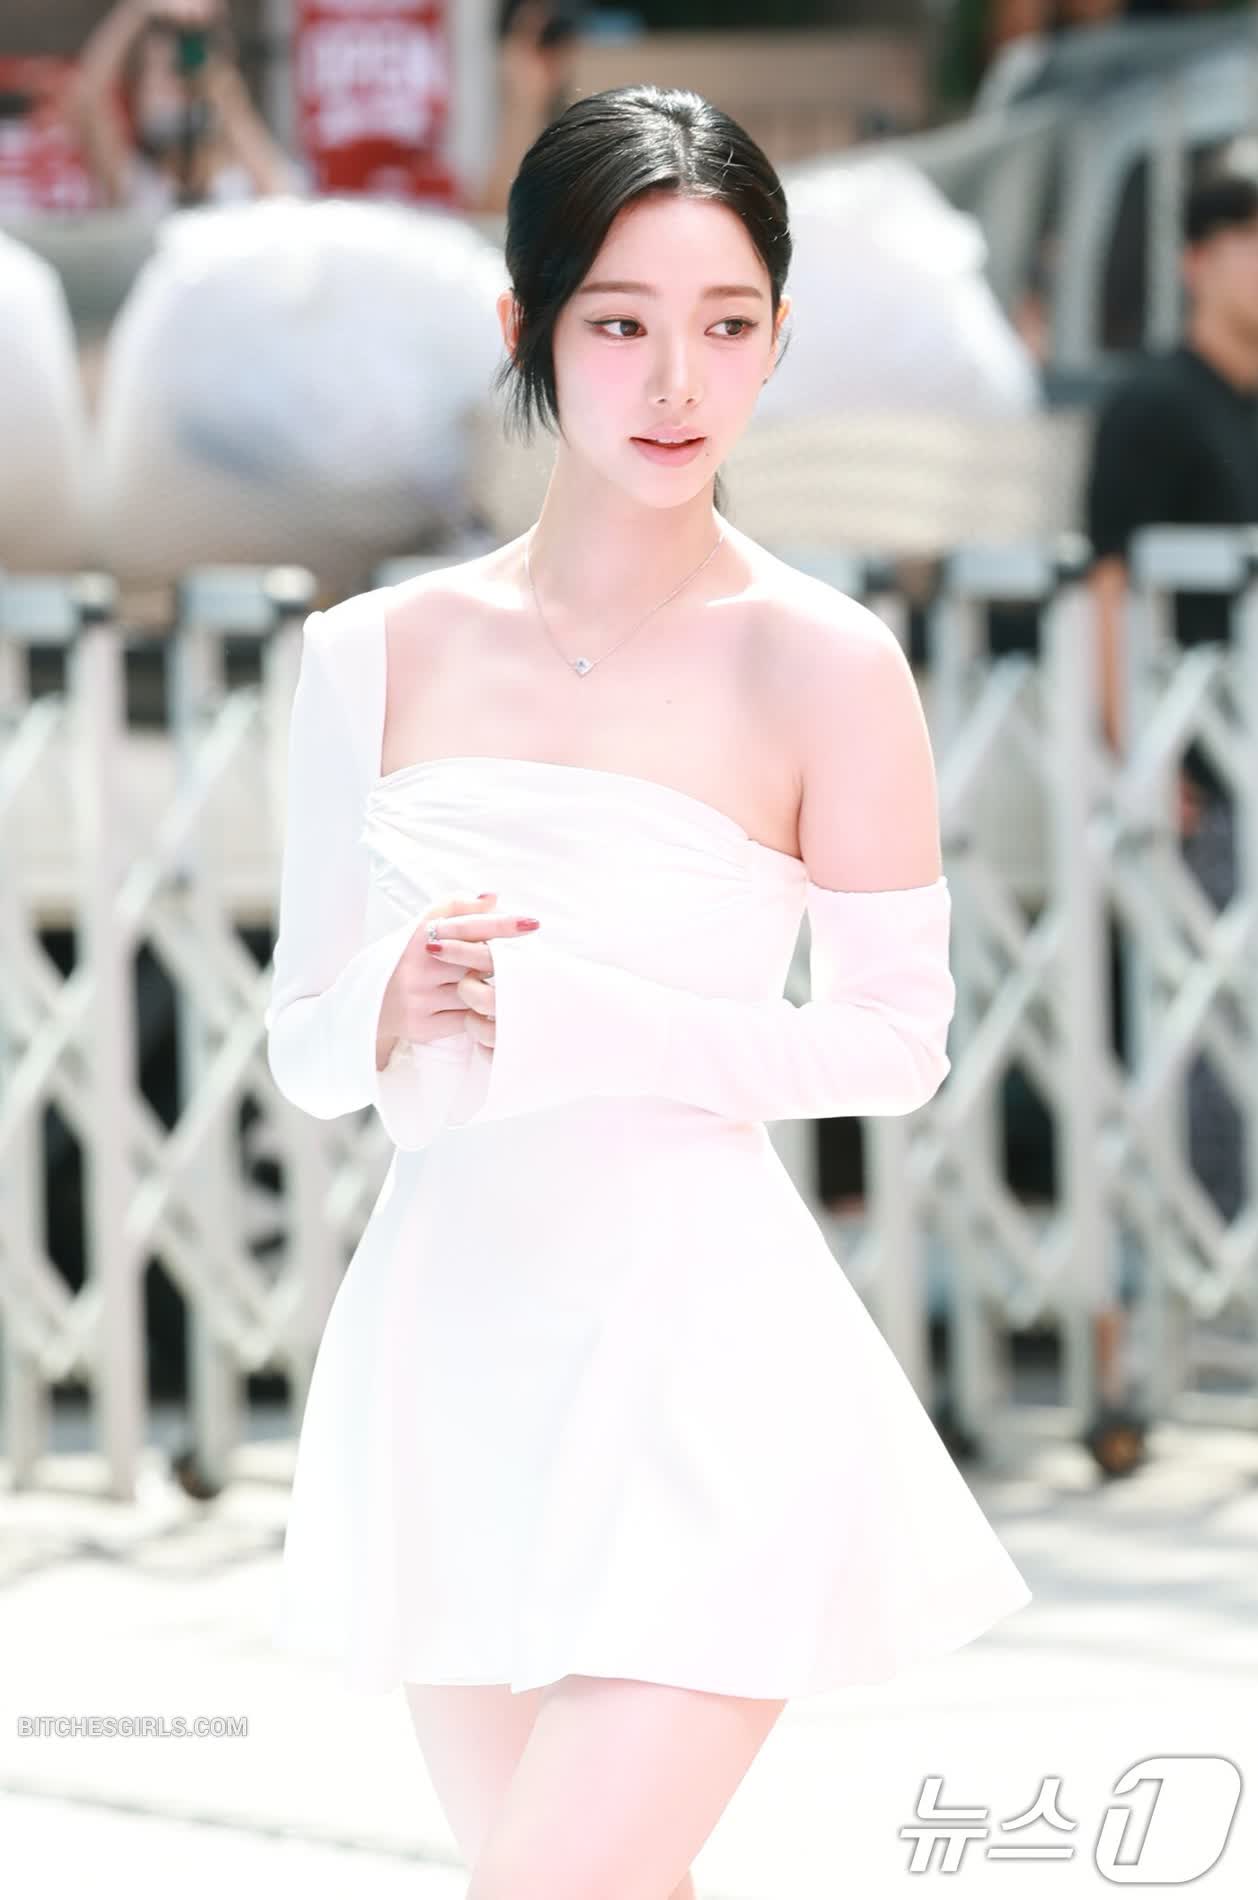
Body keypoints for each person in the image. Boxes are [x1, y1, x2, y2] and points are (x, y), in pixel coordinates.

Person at [264, 85, 1032, 1895]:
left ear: (776, 335)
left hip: (705, 1363)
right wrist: (396, 997)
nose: (676, 382)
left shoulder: (824, 663)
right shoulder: (368, 654)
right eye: (619, 324)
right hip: (452, 1364)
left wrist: (590, 1020)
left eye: (726, 325)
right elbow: (304, 1049)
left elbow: (895, 1042)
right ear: (525, 327)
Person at [66, 0, 297, 212]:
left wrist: (215, 76)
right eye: (159, 81)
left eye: (180, 84)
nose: (173, 93)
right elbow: (87, 98)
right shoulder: (137, 184)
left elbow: (283, 198)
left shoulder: (242, 180)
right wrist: (139, 10)